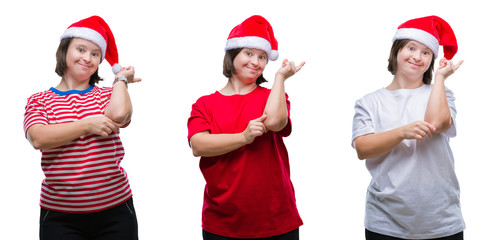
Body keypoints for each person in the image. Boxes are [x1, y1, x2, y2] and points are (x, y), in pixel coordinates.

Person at [187, 15, 304, 240]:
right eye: (248, 53)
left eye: (262, 57)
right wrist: (243, 137)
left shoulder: (273, 96)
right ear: (232, 55)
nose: (256, 61)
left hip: (277, 219)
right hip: (222, 221)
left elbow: (275, 122)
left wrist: (280, 78)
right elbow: (198, 145)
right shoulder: (205, 103)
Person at [23, 16, 141, 240]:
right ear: (64, 50)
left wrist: (121, 79)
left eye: (95, 54)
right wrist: (88, 124)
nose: (87, 58)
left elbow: (118, 114)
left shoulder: (108, 94)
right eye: (81, 49)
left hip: (116, 210)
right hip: (60, 216)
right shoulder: (40, 100)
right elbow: (38, 138)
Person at [351, 16, 465, 240]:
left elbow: (438, 123)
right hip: (385, 222)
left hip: (441, 221)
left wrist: (440, 78)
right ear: (396, 51)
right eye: (411, 47)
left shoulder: (442, 94)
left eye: (426, 52)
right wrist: (401, 132)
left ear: (432, 60)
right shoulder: (369, 102)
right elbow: (363, 149)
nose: (417, 56)